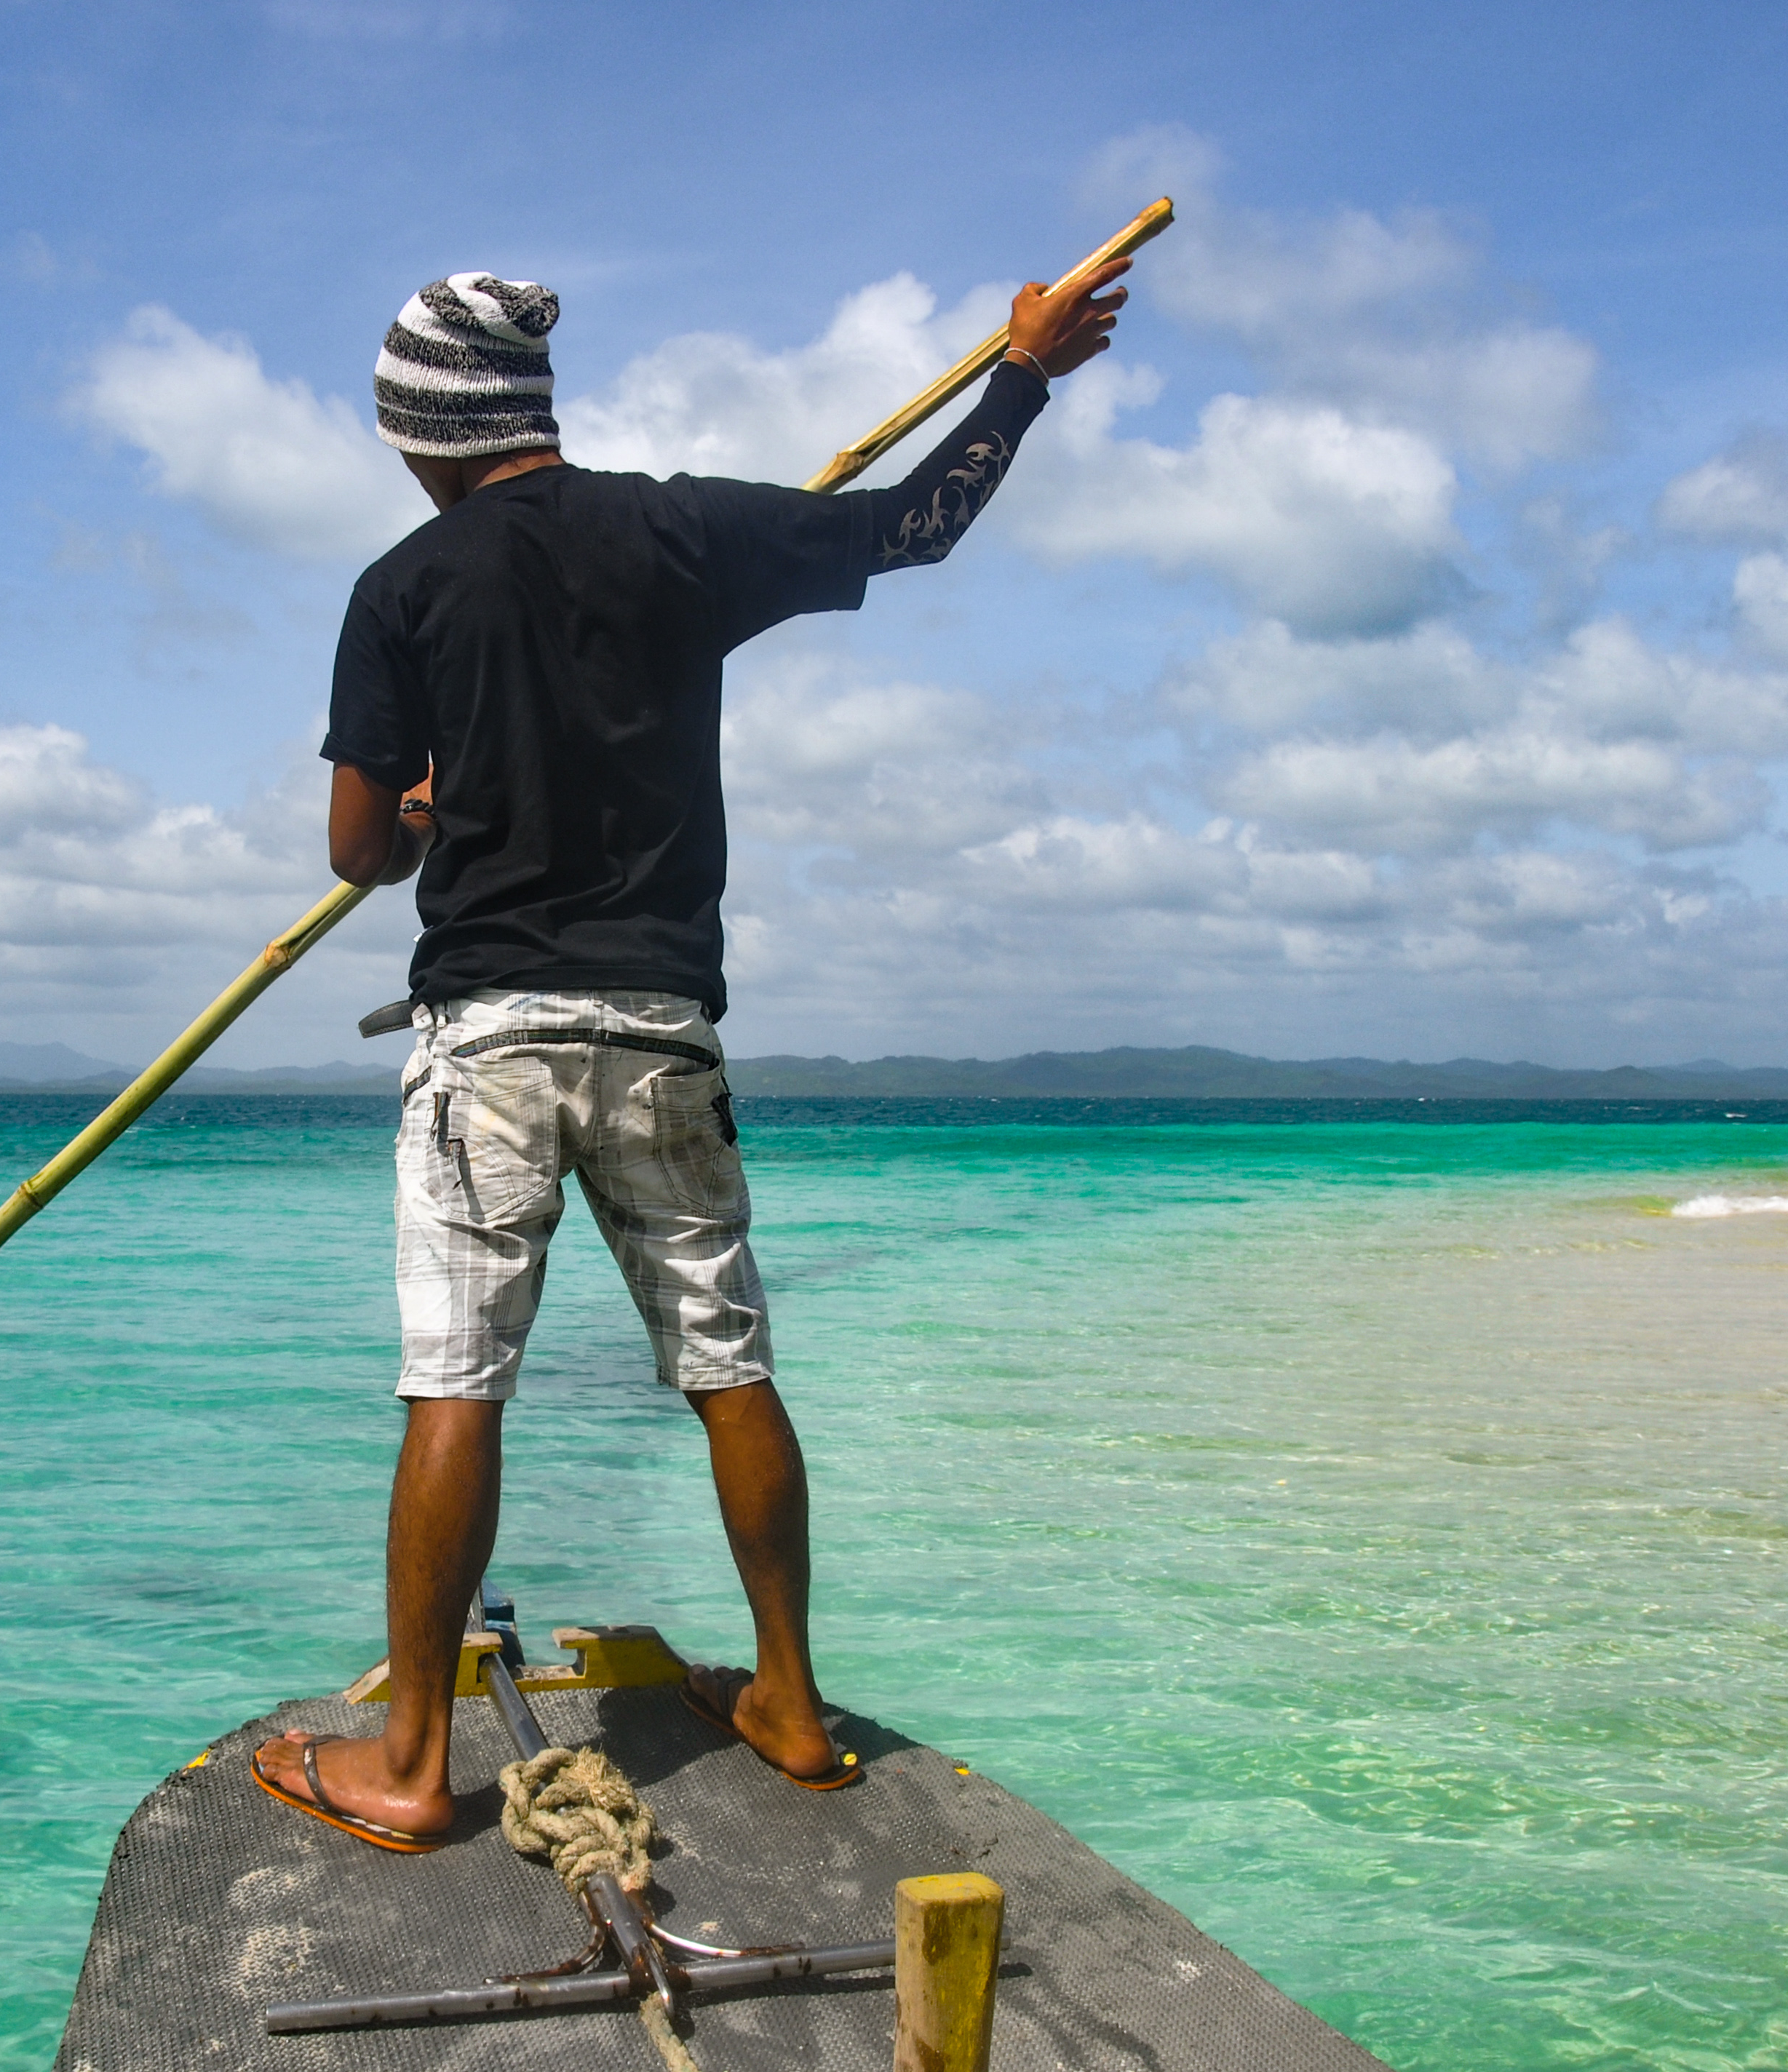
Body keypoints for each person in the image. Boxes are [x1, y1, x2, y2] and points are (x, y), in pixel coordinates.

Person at [254, 255, 1132, 1851]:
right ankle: (789, 1701)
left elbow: (354, 853)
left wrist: (427, 813)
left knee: (455, 1381)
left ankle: (407, 1765)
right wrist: (1022, 374)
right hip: (663, 1025)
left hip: (491, 1034)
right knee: (727, 1364)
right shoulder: (682, 529)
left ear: (423, 430)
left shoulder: (400, 587)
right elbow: (916, 524)